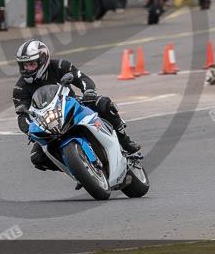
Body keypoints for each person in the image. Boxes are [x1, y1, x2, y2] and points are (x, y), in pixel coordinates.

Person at [13, 40, 141, 175]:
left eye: (31, 64)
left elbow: (81, 78)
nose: (27, 69)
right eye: (24, 65)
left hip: (72, 105)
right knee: (37, 158)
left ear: (43, 60)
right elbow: (22, 114)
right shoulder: (20, 88)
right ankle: (77, 170)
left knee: (103, 103)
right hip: (47, 123)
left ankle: (125, 141)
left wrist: (88, 91)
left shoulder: (60, 66)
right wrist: (29, 130)